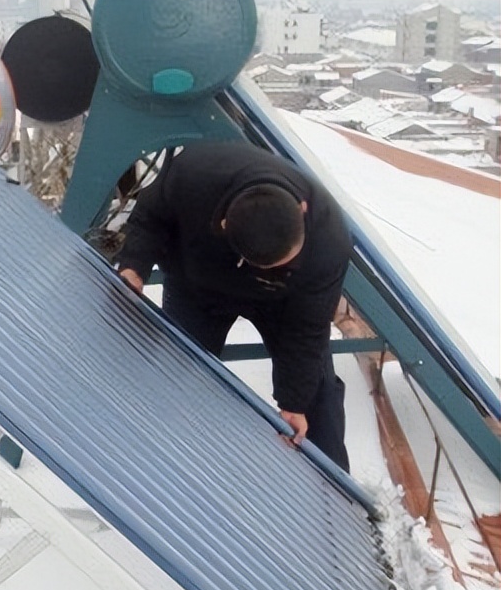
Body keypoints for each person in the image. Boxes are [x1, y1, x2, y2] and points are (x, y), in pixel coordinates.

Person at [116, 139, 352, 472]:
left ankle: (337, 496)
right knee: (176, 375)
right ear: (225, 225)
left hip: (284, 304)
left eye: (289, 259)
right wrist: (133, 266)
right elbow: (151, 217)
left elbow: (307, 330)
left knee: (317, 398)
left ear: (301, 208)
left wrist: (293, 403)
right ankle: (161, 470)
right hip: (199, 285)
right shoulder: (194, 174)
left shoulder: (328, 239)